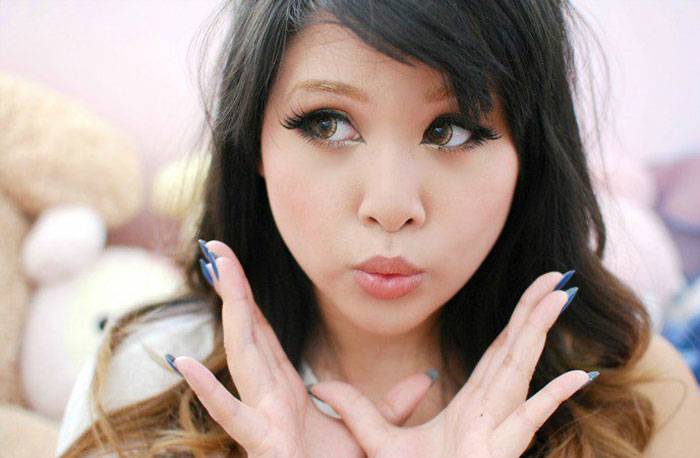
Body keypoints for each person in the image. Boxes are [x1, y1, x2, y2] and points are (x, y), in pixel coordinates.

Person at [56, 1, 700, 457]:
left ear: (528, 157)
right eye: (328, 123)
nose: (391, 207)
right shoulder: (145, 380)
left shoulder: (641, 395)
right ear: (254, 142)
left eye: (450, 130)